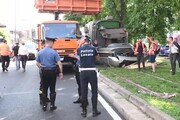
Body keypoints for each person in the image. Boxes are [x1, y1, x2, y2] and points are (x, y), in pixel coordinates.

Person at [36, 37, 63, 111]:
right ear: (50, 42)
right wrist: (61, 72)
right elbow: (59, 63)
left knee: (44, 89)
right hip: (52, 72)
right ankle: (52, 105)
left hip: (44, 72)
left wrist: (41, 68)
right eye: (53, 43)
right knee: (52, 89)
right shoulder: (54, 52)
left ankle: (44, 105)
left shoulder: (40, 52)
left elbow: (37, 63)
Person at [77, 36, 101, 117]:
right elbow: (98, 59)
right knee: (94, 91)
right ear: (89, 41)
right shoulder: (93, 48)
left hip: (83, 72)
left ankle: (84, 111)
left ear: (84, 41)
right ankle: (94, 110)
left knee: (84, 91)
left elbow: (78, 58)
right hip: (92, 71)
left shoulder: (80, 49)